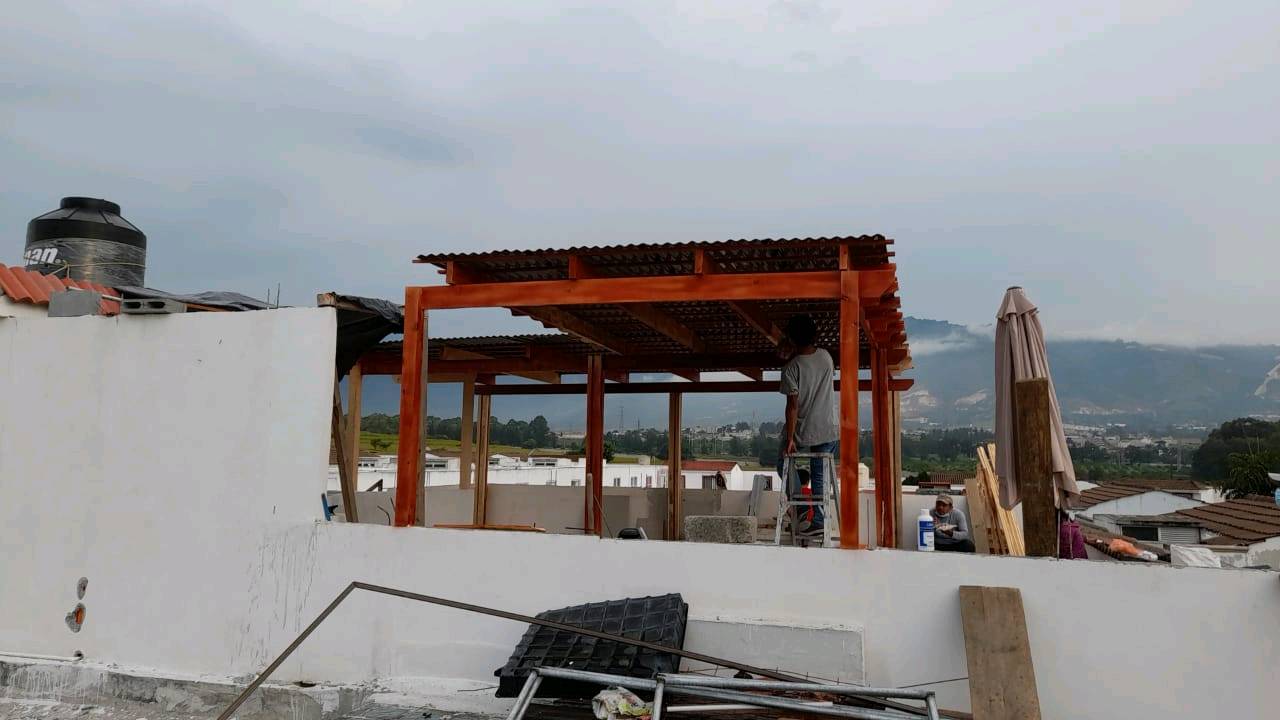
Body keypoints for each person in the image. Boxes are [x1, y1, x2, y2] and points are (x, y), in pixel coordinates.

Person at [776, 314, 839, 534]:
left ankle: (801, 505)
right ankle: (819, 522)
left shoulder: (790, 369)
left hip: (804, 431)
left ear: (791, 338)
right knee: (820, 476)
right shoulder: (826, 357)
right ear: (814, 335)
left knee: (781, 461)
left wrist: (790, 439)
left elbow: (792, 407)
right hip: (829, 429)